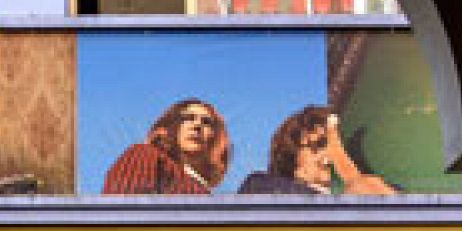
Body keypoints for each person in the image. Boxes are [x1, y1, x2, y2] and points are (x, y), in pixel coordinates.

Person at [238, 105, 398, 195]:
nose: (329, 154)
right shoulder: (261, 187)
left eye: (332, 146)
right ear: (292, 159)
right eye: (319, 145)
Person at [102, 99, 231, 195]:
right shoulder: (146, 155)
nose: (197, 125)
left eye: (206, 122)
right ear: (171, 126)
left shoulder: (207, 193)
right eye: (188, 118)